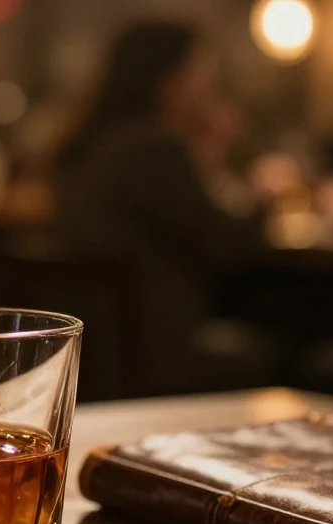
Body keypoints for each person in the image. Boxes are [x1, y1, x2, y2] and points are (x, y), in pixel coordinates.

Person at [52, 23, 265, 396]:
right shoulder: (153, 148)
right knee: (275, 350)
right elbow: (227, 244)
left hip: (97, 355)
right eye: (201, 72)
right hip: (153, 352)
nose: (209, 86)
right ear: (170, 79)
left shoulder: (89, 144)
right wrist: (266, 200)